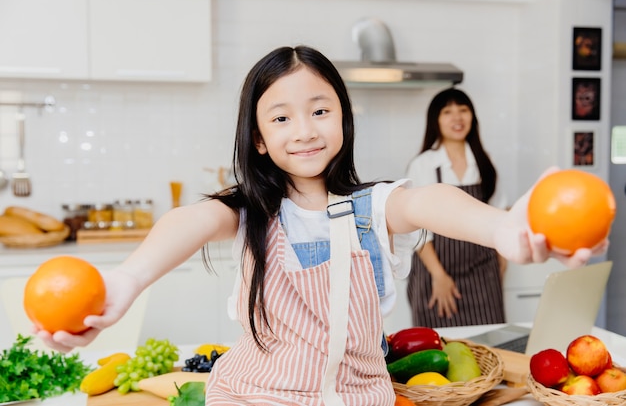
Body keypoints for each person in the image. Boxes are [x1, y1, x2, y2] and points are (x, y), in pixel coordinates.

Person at [36, 46, 602, 406]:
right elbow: (189, 220)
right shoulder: (250, 211)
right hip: (255, 397)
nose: (303, 129)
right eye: (280, 117)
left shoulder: (373, 207)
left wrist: (505, 228)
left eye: (320, 110)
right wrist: (127, 282)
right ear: (259, 138)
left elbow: (432, 202)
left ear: (342, 118)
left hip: (361, 399)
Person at [405, 87, 508, 328]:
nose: (457, 118)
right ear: (436, 121)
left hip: (483, 274)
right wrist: (439, 276)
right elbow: (416, 230)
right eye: (447, 112)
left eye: (463, 110)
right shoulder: (423, 165)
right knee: (438, 349)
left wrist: (502, 261)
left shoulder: (485, 162)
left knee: (489, 347)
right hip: (436, 274)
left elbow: (500, 215)